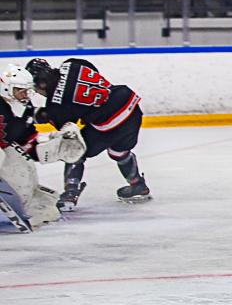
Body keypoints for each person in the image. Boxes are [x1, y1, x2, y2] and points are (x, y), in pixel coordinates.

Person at [25, 58, 151, 212]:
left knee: (74, 150)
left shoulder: (56, 104)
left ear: (42, 84)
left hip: (110, 121)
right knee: (118, 152)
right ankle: (138, 186)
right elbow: (93, 73)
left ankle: (70, 194)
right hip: (130, 104)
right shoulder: (71, 64)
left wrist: (38, 113)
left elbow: (64, 124)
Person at [0, 64, 86, 232]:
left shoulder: (23, 108)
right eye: (20, 90)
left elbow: (26, 141)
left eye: (26, 91)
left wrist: (57, 146)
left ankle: (31, 206)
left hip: (5, 149)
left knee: (31, 180)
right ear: (6, 88)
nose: (24, 95)